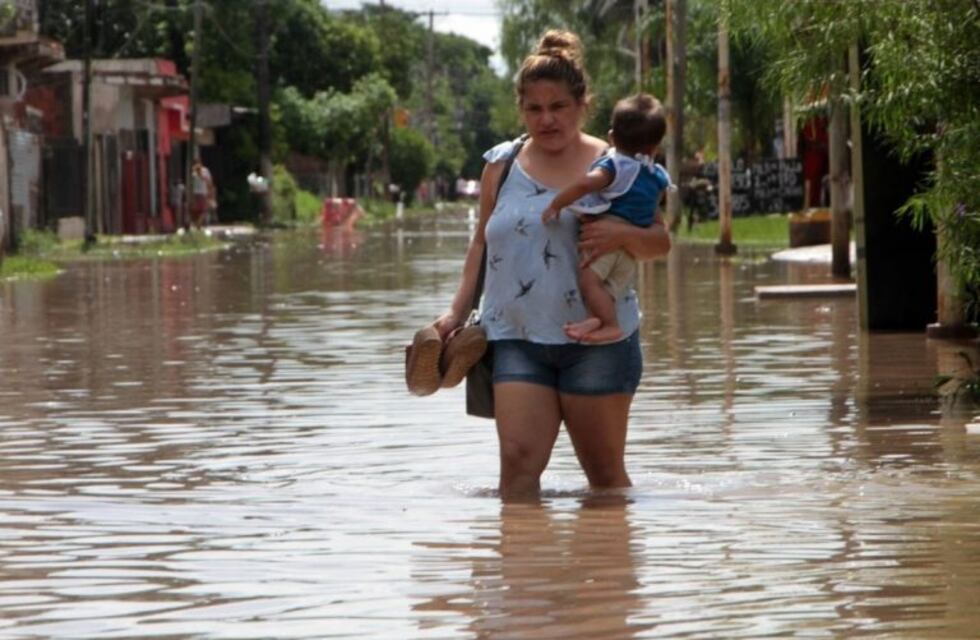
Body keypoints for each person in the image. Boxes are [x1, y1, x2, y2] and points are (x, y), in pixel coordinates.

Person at [432, 30, 671, 500]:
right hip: (517, 339)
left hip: (597, 343)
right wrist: (454, 313)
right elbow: (480, 243)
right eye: (534, 108)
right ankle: (524, 571)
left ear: (583, 104)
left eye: (558, 106)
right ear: (521, 108)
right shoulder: (500, 165)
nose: (546, 119)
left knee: (604, 481)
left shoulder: (617, 165)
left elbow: (660, 242)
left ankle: (606, 569)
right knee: (517, 472)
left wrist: (623, 234)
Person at [540, 93, 671, 343]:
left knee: (589, 283)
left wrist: (557, 203)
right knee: (605, 290)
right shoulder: (657, 176)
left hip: (605, 243)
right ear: (655, 147)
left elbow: (586, 184)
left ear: (612, 137)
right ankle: (596, 317)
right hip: (629, 254)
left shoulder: (616, 166)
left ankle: (609, 324)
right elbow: (653, 214)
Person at [190, 157, 216, 228]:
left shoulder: (205, 171)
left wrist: (211, 193)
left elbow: (209, 182)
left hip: (203, 193)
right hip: (195, 193)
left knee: (204, 210)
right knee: (195, 210)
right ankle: (197, 224)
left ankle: (198, 224)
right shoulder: (192, 172)